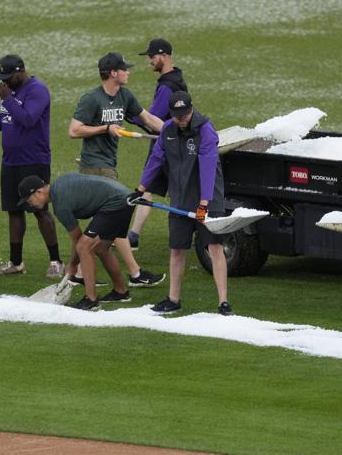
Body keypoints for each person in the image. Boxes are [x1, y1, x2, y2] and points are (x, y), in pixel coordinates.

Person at [68, 52, 165, 288]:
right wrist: (105, 128)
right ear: (113, 73)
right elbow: (74, 130)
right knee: (118, 214)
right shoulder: (92, 99)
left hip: (108, 165)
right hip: (94, 167)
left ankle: (79, 273)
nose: (128, 71)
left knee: (105, 222)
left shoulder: (124, 95)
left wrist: (172, 133)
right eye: (124, 69)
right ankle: (135, 273)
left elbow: (147, 119)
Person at [131, 91, 233, 315]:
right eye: (178, 115)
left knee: (214, 247)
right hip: (180, 199)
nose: (182, 118)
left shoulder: (206, 130)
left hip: (208, 200)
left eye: (185, 114)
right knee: (177, 249)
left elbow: (207, 169)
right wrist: (139, 189)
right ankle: (173, 299)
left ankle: (223, 302)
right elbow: (155, 160)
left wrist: (204, 203)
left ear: (192, 107)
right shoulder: (167, 130)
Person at [0, 55, 64, 279]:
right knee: (14, 211)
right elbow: (5, 117)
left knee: (40, 211)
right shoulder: (11, 93)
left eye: (8, 77)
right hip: (11, 161)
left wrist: (7, 100)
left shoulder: (37, 90)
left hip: (34, 161)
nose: (5, 82)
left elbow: (28, 119)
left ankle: (56, 261)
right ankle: (16, 263)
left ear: (20, 71)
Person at [17, 174, 135, 311]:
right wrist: (73, 264)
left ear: (39, 192)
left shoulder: (60, 205)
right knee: (101, 248)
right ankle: (121, 292)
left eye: (28, 199)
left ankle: (91, 300)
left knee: (84, 247)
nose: (28, 204)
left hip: (116, 202)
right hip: (125, 198)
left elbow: (78, 239)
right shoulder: (59, 185)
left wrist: (72, 264)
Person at [126, 38, 189, 250]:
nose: (150, 62)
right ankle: (133, 236)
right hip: (175, 144)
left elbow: (153, 120)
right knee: (153, 188)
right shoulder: (177, 79)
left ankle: (180, 235)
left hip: (165, 146)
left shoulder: (166, 87)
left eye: (152, 57)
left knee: (149, 187)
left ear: (164, 56)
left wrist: (131, 114)